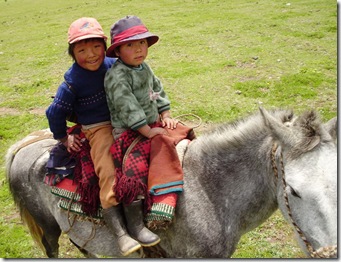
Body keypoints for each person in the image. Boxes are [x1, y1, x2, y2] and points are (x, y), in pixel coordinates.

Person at [45, 17, 142, 256]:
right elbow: (54, 111)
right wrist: (62, 138)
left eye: (96, 46)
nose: (91, 54)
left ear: (105, 45)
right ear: (72, 53)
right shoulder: (72, 81)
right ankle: (120, 231)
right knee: (107, 169)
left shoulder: (114, 64)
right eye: (82, 49)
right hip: (98, 127)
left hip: (125, 117)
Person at [104, 15, 194, 249]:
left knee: (185, 138)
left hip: (153, 123)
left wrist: (165, 116)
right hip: (129, 132)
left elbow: (158, 89)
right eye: (130, 45)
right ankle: (135, 224)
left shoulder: (144, 68)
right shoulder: (117, 76)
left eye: (142, 43)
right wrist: (147, 130)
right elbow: (127, 106)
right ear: (118, 51)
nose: (138, 49)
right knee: (133, 172)